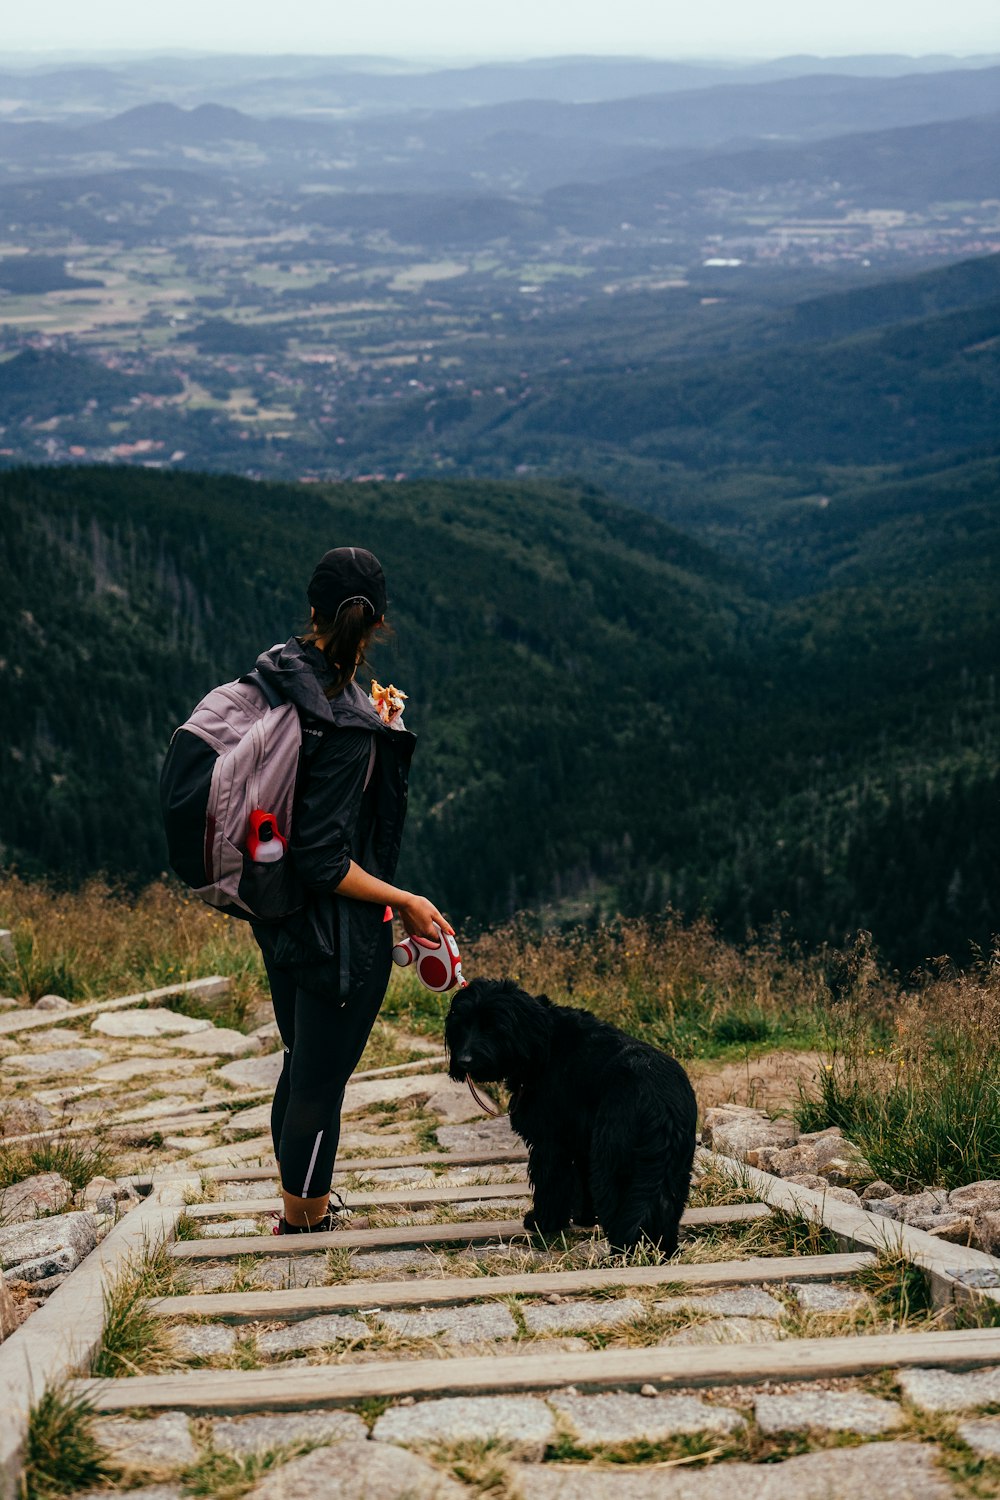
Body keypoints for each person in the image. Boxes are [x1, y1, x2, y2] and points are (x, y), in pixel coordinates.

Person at [249, 545, 451, 1234]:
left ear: (312, 612)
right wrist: (405, 900)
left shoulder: (282, 674)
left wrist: (379, 722)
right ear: (375, 626)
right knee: (318, 1082)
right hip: (335, 930)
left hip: (278, 915)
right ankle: (304, 1222)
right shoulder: (348, 723)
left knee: (299, 1061)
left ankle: (297, 1205)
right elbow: (324, 857)